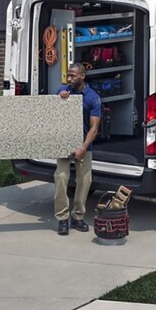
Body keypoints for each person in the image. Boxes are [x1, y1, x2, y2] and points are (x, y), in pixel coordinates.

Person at [54, 62, 101, 236]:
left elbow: (94, 127)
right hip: (64, 143)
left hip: (83, 144)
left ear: (82, 76)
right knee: (60, 177)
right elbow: (52, 113)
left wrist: (83, 148)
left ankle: (78, 216)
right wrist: (61, 98)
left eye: (73, 75)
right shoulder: (62, 91)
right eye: (68, 75)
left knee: (85, 180)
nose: (69, 78)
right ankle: (62, 219)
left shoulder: (92, 97)